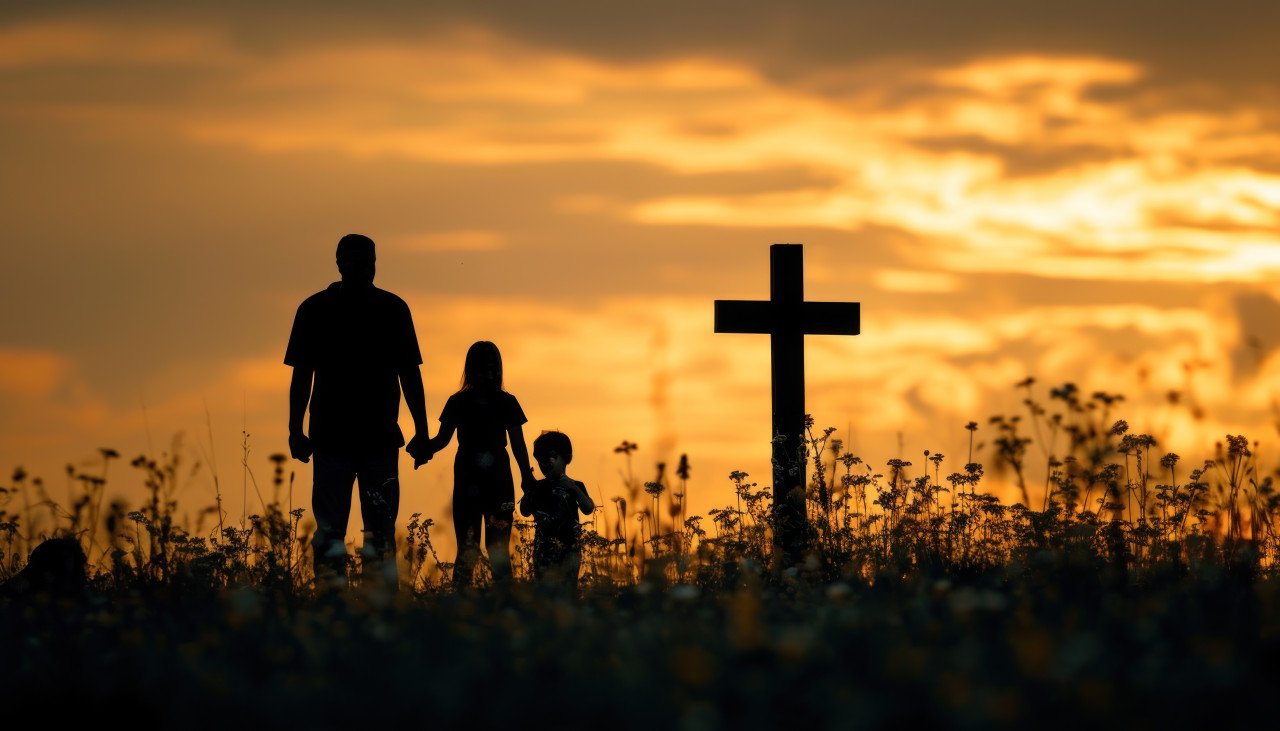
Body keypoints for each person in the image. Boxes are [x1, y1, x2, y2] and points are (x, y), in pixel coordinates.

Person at [284, 233, 430, 585]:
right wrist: (294, 430)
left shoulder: (393, 309)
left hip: (375, 437)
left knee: (378, 530)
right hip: (333, 439)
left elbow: (410, 374)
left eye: (369, 261)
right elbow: (302, 376)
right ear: (339, 263)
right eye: (357, 261)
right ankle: (333, 601)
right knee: (333, 528)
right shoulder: (314, 309)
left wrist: (423, 431)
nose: (365, 268)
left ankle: (376, 605)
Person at [421, 341, 532, 588]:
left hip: (470, 477)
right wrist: (527, 477)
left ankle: (462, 602)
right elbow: (518, 445)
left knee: (468, 549)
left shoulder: (458, 401)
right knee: (496, 550)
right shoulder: (505, 401)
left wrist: (422, 449)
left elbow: (440, 441)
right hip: (497, 478)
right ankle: (503, 602)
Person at [519, 430, 595, 591]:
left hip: (570, 547)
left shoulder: (576, 485)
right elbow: (524, 510)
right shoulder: (538, 487)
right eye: (541, 462)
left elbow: (588, 508)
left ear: (565, 458)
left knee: (569, 587)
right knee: (544, 588)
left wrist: (573, 488)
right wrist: (529, 491)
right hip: (543, 548)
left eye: (550, 460)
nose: (545, 466)